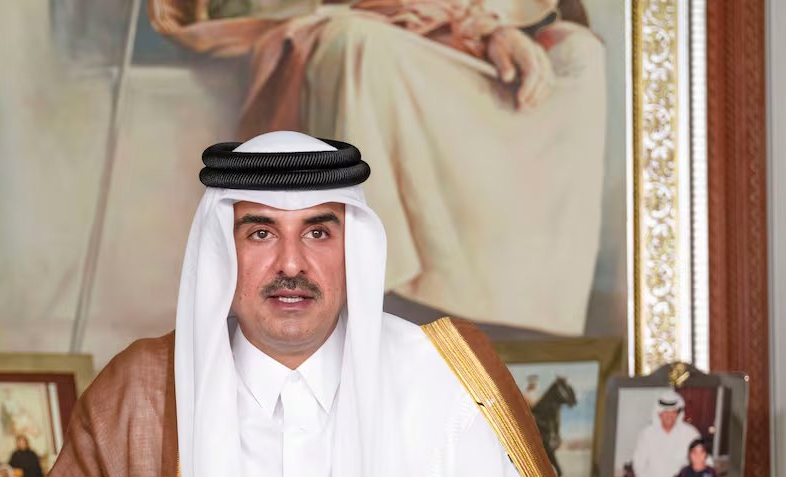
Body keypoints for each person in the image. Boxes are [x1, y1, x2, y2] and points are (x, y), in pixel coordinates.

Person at [0, 132, 584, 477]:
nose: (291, 264)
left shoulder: (451, 374)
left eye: (318, 232)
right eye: (260, 233)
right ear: (221, 251)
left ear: (354, 247)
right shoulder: (141, 391)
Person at [151, 0, 606, 335]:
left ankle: (529, 318)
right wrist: (479, 28)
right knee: (357, 45)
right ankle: (382, 297)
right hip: (374, 22)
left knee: (578, 54)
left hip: (462, 38)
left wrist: (497, 27)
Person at [617, 389, 702, 477]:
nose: (669, 415)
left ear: (678, 413)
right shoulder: (646, 434)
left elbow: (702, 461)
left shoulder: (691, 434)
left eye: (673, 411)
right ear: (658, 413)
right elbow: (638, 463)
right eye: (665, 411)